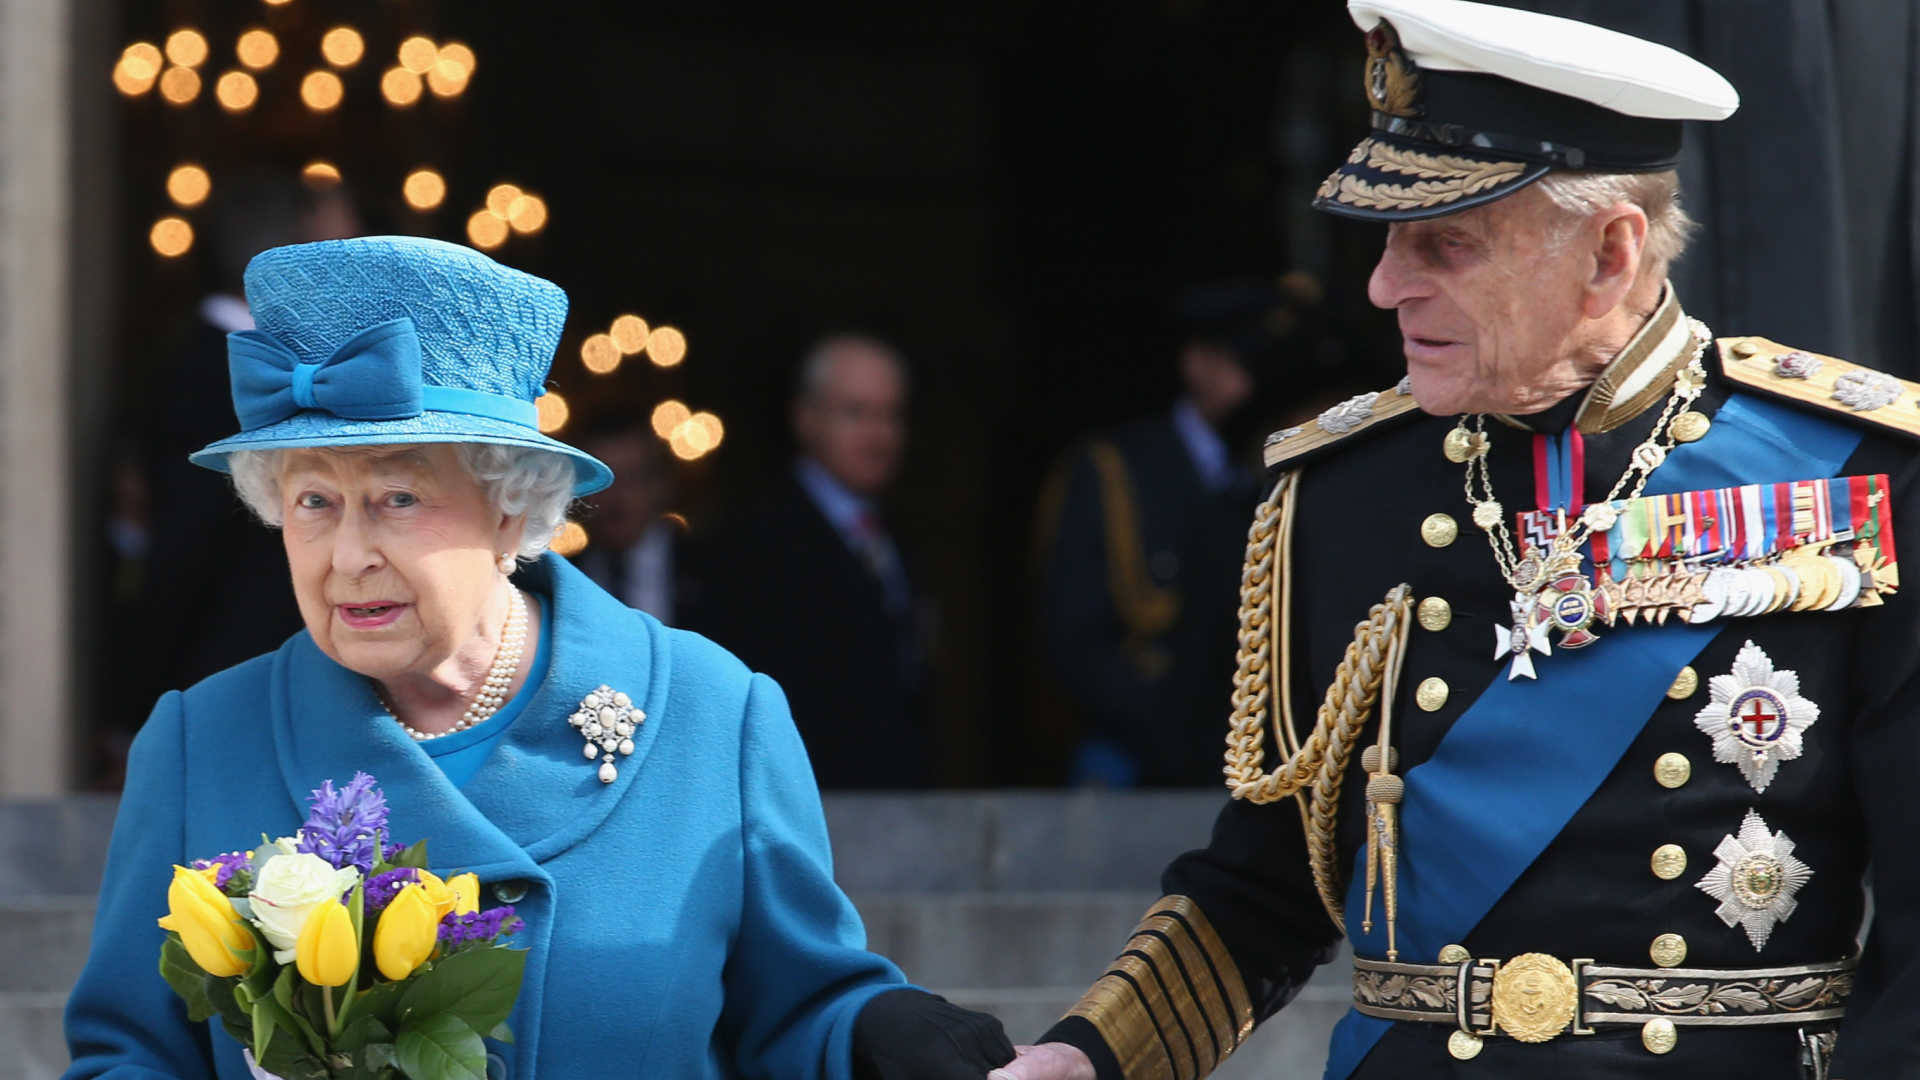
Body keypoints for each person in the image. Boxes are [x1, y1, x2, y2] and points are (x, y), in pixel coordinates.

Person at [980, 2, 1920, 1077]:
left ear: (1609, 253)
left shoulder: (1858, 472)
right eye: (1388, 240)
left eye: (1448, 244)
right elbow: (1265, 890)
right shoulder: (1339, 494)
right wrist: (1089, 1057)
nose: (1385, 286)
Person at [61, 237, 1015, 1078]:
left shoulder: (713, 714)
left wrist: (875, 1030)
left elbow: (800, 1011)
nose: (348, 556)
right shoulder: (199, 743)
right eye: (314, 502)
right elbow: (129, 1056)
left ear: (513, 508)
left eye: (396, 498)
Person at [129, 173, 363, 718]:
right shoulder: (208, 376)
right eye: (343, 247)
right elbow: (181, 554)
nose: (356, 270)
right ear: (294, 251)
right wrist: (144, 705)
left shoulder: (264, 365)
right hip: (233, 687)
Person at [1037, 283, 1282, 786]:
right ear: (1198, 364)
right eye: (1244, 363)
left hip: (1259, 762)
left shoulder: (1275, 475)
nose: (1262, 383)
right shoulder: (1115, 470)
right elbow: (1076, 641)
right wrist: (1185, 735)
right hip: (1137, 753)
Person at [688, 334, 928, 789]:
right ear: (806, 418)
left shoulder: (894, 539)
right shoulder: (755, 545)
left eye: (892, 415)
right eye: (856, 413)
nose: (879, 435)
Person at [568, 417, 683, 623]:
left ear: (662, 484)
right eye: (604, 482)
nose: (618, 498)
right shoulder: (561, 581)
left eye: (634, 479)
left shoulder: (724, 571)